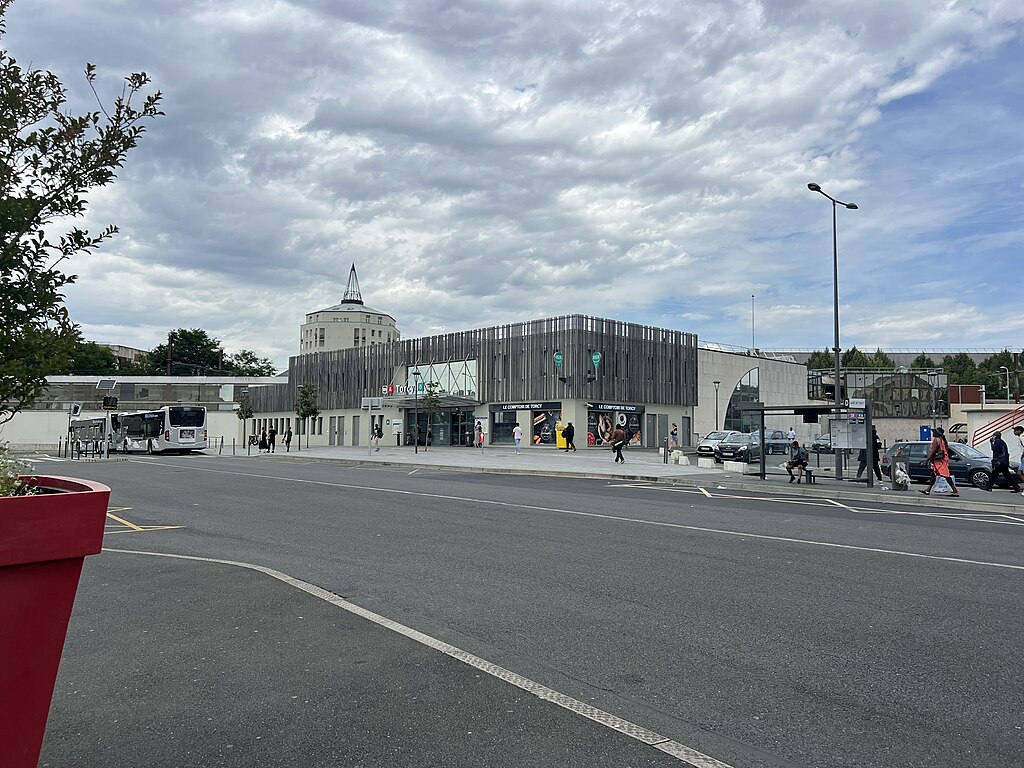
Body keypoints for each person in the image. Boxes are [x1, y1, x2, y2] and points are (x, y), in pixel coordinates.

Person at [921, 426, 959, 497]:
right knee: (933, 474)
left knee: (946, 475)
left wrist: (927, 459)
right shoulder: (942, 439)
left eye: (934, 432)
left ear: (938, 433)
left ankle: (955, 491)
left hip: (939, 461)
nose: (933, 433)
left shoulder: (937, 440)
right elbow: (946, 448)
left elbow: (934, 450)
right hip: (941, 459)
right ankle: (928, 490)